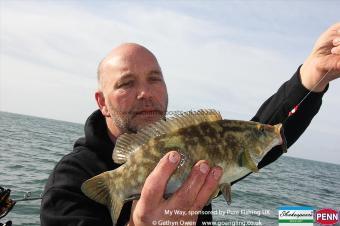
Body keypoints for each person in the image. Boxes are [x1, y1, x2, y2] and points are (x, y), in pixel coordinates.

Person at [40, 23, 340, 226]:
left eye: (154, 79)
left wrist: (313, 76)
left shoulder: (198, 148)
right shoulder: (70, 182)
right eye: (126, 83)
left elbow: (260, 137)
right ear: (102, 102)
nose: (145, 93)